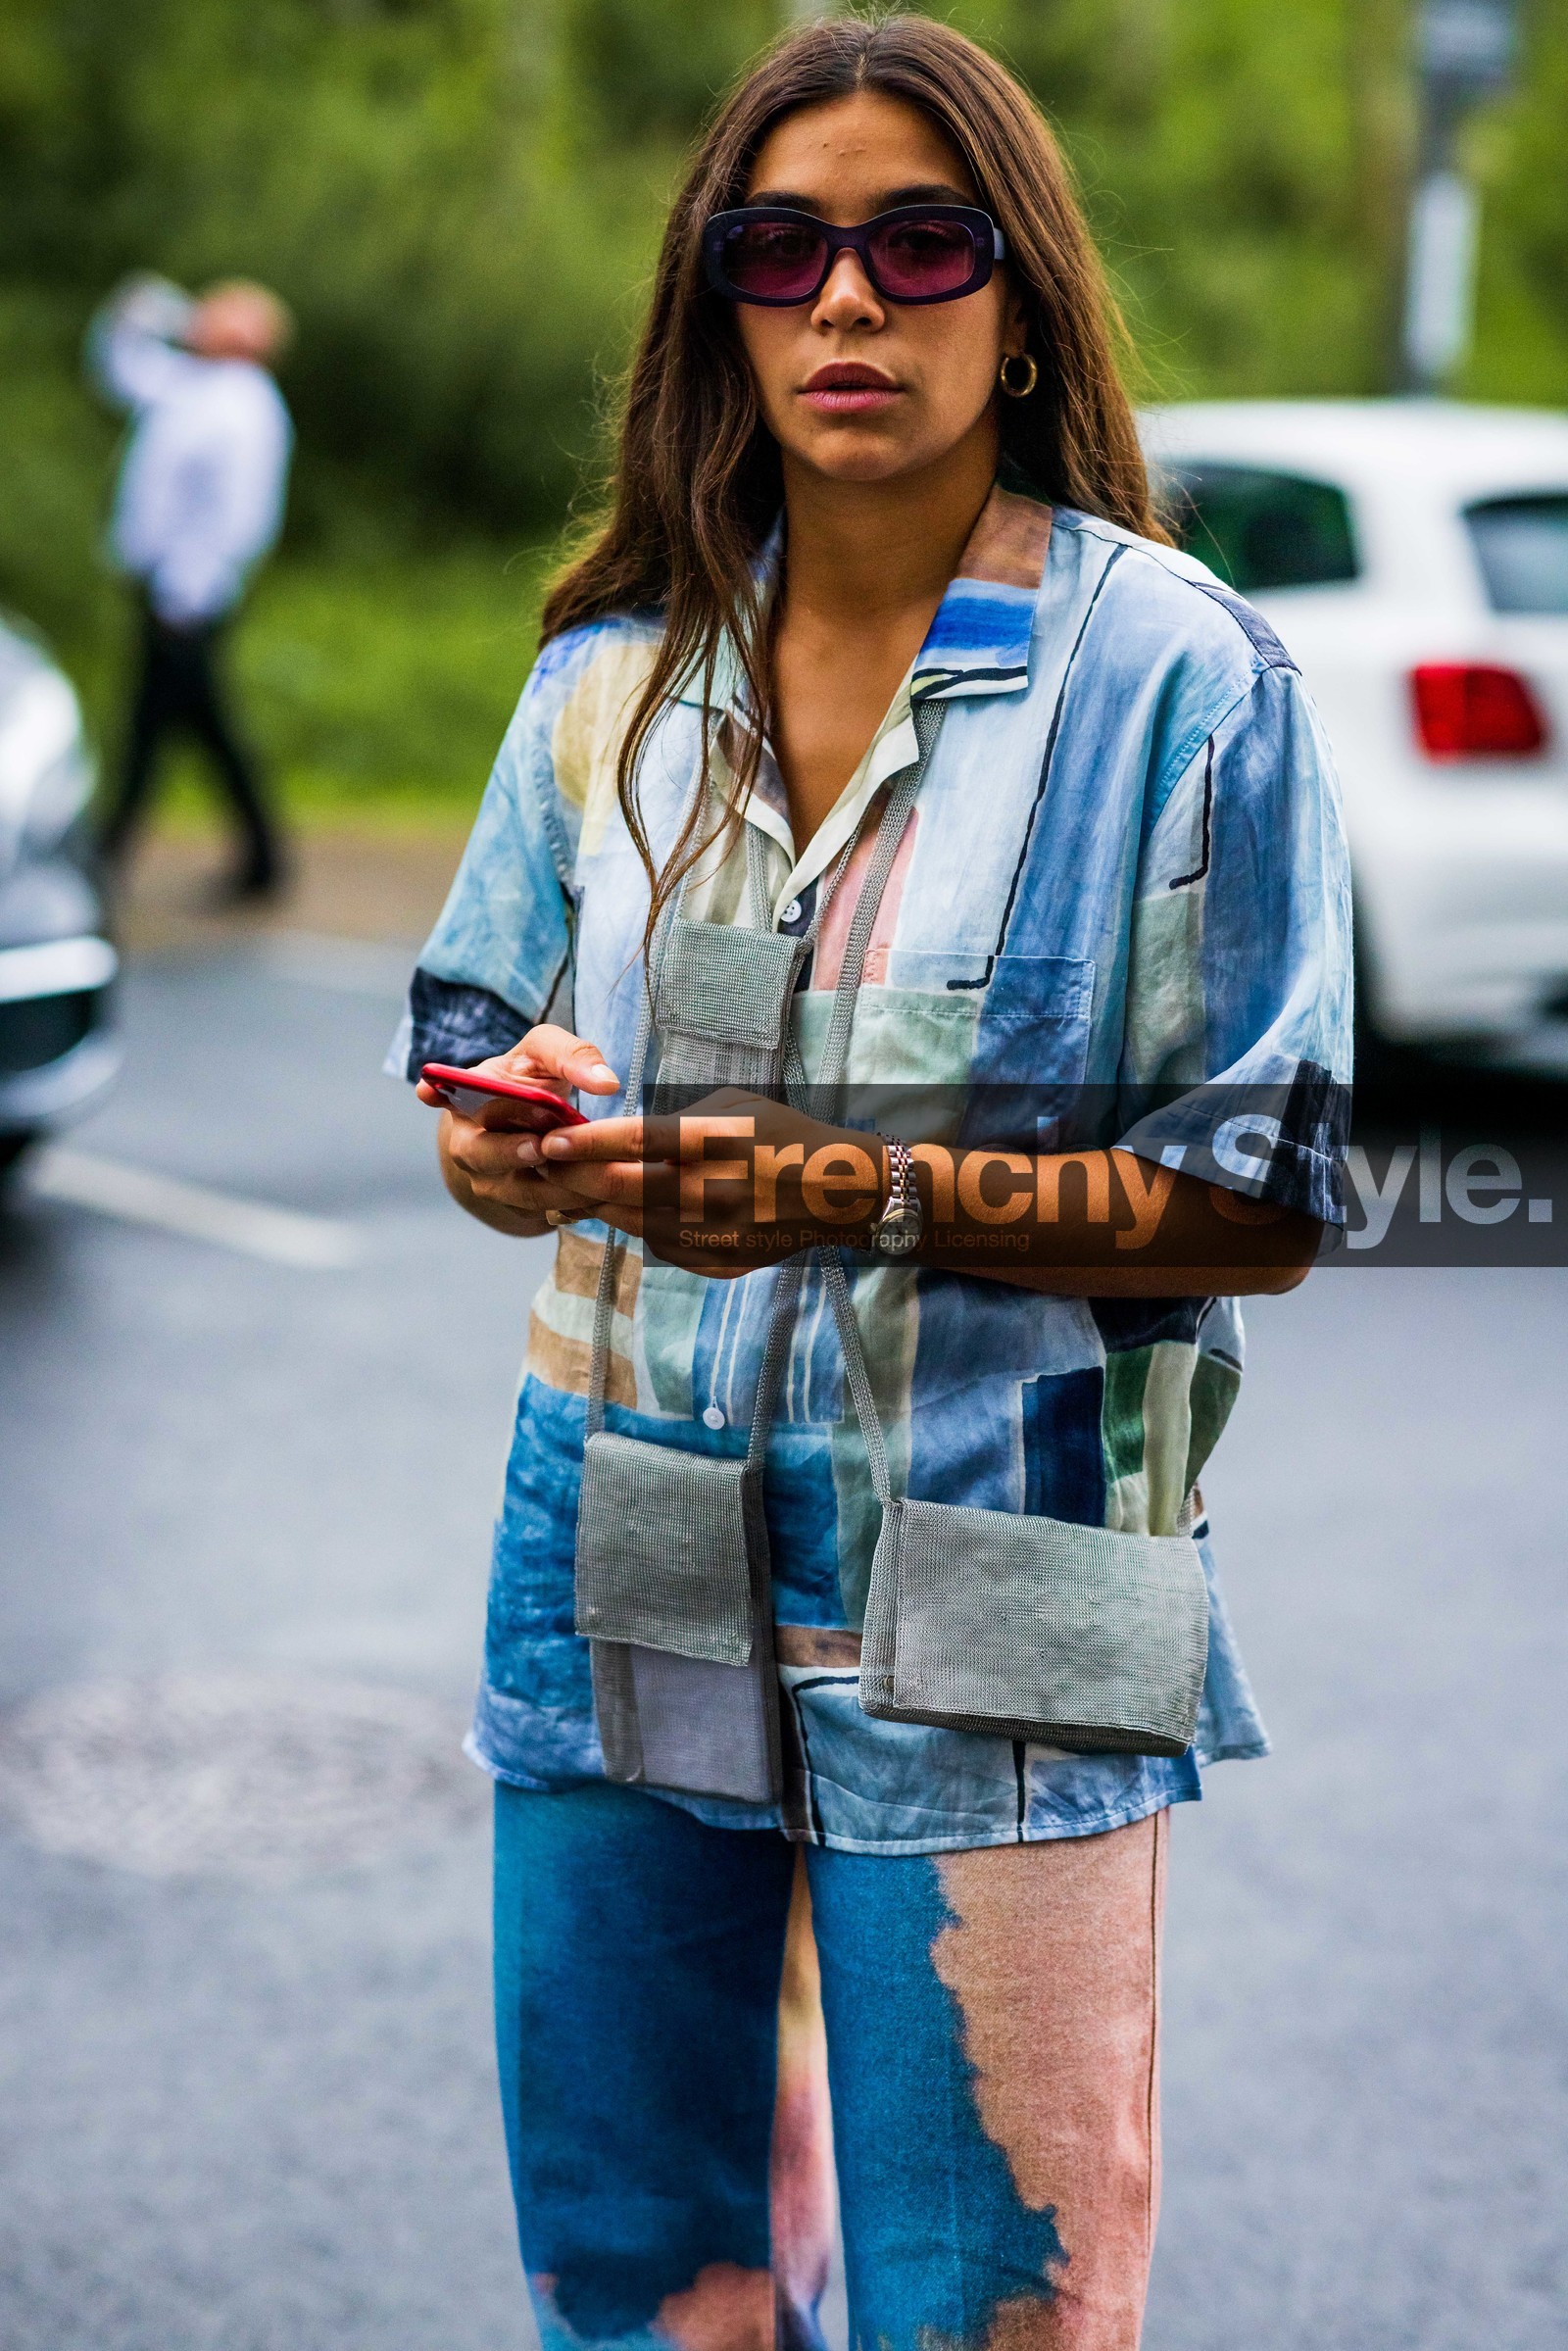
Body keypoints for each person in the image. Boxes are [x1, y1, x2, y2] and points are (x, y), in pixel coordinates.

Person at [396, 15, 1351, 2348]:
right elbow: (466, 1078)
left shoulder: (1178, 686)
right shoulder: (606, 686)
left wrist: (833, 1190)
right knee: (650, 2290)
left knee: (987, 2305)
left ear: (1015, 300)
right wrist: (509, 1134)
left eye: (916, 244)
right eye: (780, 246)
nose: (847, 300)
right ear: (714, 303)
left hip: (1011, 1579)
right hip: (618, 1550)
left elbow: (1264, 1194)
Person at [88, 274, 294, 902]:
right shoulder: (191, 384)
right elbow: (118, 369)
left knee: (168, 723)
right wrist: (137, 311)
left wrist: (187, 594)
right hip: (161, 587)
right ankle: (259, 858)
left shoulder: (248, 405)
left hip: (188, 596)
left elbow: (239, 517)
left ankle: (109, 854)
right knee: (184, 723)